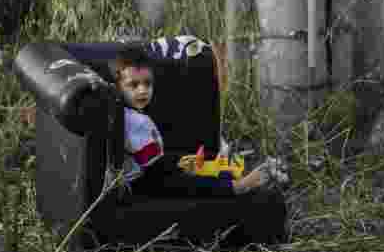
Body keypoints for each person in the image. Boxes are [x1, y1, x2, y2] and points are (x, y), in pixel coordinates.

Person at [110, 46, 286, 198]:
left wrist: (178, 162)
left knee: (204, 171)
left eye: (147, 84)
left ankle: (251, 175)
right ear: (118, 86)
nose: (142, 90)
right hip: (143, 185)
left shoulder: (130, 115)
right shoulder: (136, 123)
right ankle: (237, 187)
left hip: (144, 176)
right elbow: (155, 172)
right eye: (133, 85)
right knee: (189, 182)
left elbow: (150, 160)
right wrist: (177, 168)